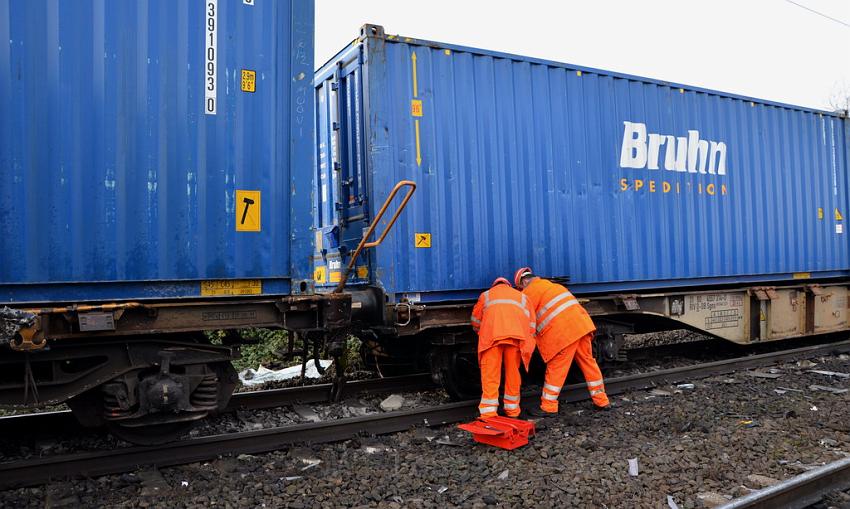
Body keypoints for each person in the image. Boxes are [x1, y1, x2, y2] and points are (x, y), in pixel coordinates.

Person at [513, 267, 612, 415]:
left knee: (556, 368)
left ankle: (548, 407)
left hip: (564, 333)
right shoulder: (555, 286)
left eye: (520, 287)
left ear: (524, 281)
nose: (521, 290)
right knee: (588, 363)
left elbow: (522, 318)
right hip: (581, 327)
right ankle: (602, 401)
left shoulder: (529, 293)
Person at [470, 277, 536, 418]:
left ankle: (489, 413)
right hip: (516, 338)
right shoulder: (522, 296)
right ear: (509, 285)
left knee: (490, 374)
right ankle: (512, 411)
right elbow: (531, 325)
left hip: (492, 339)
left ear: (494, 285)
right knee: (513, 374)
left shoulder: (486, 295)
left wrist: (482, 331)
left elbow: (475, 321)